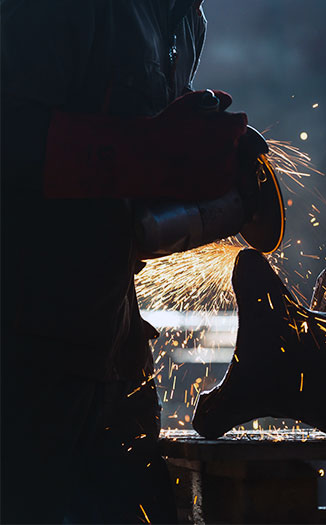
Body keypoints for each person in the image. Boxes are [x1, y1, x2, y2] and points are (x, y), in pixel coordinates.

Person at [0, 1, 268, 522]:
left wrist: (199, 177)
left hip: (113, 353)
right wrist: (144, 153)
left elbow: (117, 198)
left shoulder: (184, 17)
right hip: (19, 361)